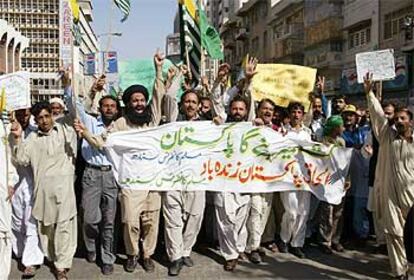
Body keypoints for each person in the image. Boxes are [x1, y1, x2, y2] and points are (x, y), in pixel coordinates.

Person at [74, 51, 166, 273]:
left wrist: (158, 70)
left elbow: (158, 95)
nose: (139, 104)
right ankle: (133, 254)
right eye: (135, 100)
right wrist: (85, 133)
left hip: (152, 181)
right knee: (130, 223)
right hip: (130, 183)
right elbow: (102, 143)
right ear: (128, 103)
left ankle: (148, 255)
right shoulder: (120, 124)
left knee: (151, 222)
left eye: (142, 100)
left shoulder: (152, 120)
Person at [10, 101, 78, 280]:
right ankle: (52, 257)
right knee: (46, 230)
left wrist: (68, 85)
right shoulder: (31, 139)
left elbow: (76, 110)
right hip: (43, 192)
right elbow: (22, 160)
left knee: (64, 227)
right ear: (36, 120)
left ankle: (61, 266)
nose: (45, 121)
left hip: (64, 190)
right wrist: (17, 138)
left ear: (52, 115)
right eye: (40, 118)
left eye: (47, 116)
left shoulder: (64, 129)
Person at [63, 73, 120, 275]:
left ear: (116, 109)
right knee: (89, 218)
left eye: (112, 106)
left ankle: (107, 257)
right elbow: (73, 107)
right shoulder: (89, 120)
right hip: (91, 175)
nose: (109, 109)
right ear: (100, 107)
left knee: (109, 220)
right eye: (105, 106)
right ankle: (90, 247)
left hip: (111, 176)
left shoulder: (119, 127)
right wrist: (68, 84)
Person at [364, 73, 414, 279]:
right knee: (394, 232)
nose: (399, 121)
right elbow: (377, 114)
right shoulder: (386, 136)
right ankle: (399, 271)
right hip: (389, 194)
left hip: (411, 195)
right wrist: (370, 93)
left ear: (411, 121)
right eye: (397, 118)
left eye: (404, 118)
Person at [211, 57, 257, 271]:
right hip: (223, 179)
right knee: (225, 219)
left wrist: (247, 81)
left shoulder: (249, 125)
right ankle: (229, 254)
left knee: (240, 218)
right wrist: (225, 81)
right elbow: (216, 100)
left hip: (244, 179)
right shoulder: (221, 123)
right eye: (235, 109)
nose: (237, 112)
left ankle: (237, 249)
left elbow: (251, 99)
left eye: (241, 109)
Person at [162, 89, 207, 276]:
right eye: (186, 101)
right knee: (173, 221)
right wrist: (174, 80)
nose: (190, 105)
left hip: (197, 179)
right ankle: (175, 257)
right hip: (173, 179)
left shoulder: (207, 125)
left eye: (193, 102)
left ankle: (186, 250)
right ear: (182, 104)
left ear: (198, 105)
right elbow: (169, 99)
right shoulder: (173, 123)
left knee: (195, 217)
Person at [10, 108, 44, 277]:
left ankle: (31, 262)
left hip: (31, 181)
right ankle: (20, 253)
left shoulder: (35, 132)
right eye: (20, 113)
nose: (23, 116)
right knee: (16, 221)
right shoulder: (7, 131)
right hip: (13, 183)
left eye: (26, 113)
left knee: (30, 221)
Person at [278, 102, 312, 259]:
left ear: (303, 115)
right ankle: (284, 238)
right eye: (294, 112)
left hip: (305, 177)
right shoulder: (282, 131)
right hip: (288, 177)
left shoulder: (308, 132)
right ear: (289, 114)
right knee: (291, 211)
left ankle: (297, 243)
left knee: (303, 212)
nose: (296, 115)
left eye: (299, 112)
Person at [245, 98, 276, 264]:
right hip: (254, 178)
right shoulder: (252, 126)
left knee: (264, 211)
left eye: (271, 109)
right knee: (255, 211)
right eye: (265, 108)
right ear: (258, 110)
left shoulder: (277, 131)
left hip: (270, 180)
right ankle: (254, 247)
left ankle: (255, 243)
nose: (268, 112)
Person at [364, 100, 395, 253]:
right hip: (375, 177)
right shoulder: (373, 133)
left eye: (389, 113)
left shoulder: (400, 134)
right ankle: (381, 241)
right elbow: (365, 152)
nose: (387, 117)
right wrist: (368, 153)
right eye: (384, 113)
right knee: (377, 210)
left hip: (395, 182)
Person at [317, 115, 349, 254]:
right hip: (327, 182)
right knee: (327, 212)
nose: (343, 128)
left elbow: (345, 162)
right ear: (335, 127)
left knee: (338, 213)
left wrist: (348, 179)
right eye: (341, 125)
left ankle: (335, 239)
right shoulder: (322, 142)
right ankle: (325, 241)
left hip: (340, 181)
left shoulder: (342, 141)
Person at [0, 115, 18, 279]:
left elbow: (9, 155)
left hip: (2, 189)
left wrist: (11, 181)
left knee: (3, 233)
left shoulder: (4, 127)